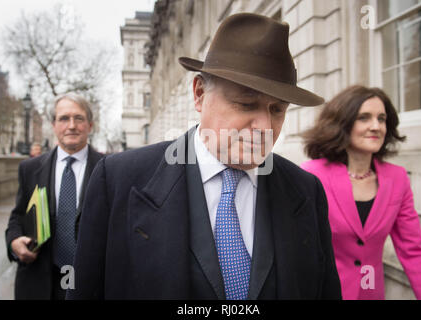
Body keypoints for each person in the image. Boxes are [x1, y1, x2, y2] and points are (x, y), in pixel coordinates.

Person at [67, 13, 341, 300]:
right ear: (199, 94)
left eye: (277, 110)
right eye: (246, 104)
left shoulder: (305, 191)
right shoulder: (119, 180)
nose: (263, 127)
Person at [301, 85, 421, 300]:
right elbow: (295, 248)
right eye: (364, 118)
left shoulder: (398, 179)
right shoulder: (312, 175)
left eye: (382, 118)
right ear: (342, 123)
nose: (376, 126)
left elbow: (413, 251)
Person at [5, 93, 104, 300]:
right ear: (53, 125)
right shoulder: (29, 168)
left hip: (91, 285)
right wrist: (14, 241)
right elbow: (17, 216)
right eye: (63, 118)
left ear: (90, 125)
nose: (71, 125)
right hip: (39, 281)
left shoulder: (109, 169)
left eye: (78, 118)